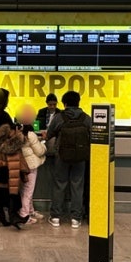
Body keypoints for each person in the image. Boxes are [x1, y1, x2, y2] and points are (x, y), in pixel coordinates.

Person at [46, 90, 92, 229]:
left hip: (62, 156)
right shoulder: (86, 118)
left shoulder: (59, 117)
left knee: (59, 184)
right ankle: (76, 219)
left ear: (64, 103)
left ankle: (55, 217)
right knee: (77, 186)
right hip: (80, 157)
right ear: (78, 102)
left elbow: (49, 134)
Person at [0, 124, 30, 229]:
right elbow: (20, 160)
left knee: (1, 194)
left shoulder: (1, 144)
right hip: (12, 175)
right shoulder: (13, 145)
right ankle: (13, 217)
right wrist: (25, 173)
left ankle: (0, 216)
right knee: (13, 194)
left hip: (2, 174)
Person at [17, 104, 47, 223]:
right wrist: (43, 143)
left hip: (22, 165)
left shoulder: (17, 133)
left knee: (25, 190)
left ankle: (30, 210)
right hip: (31, 166)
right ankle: (24, 215)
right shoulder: (31, 135)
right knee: (28, 191)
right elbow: (40, 151)